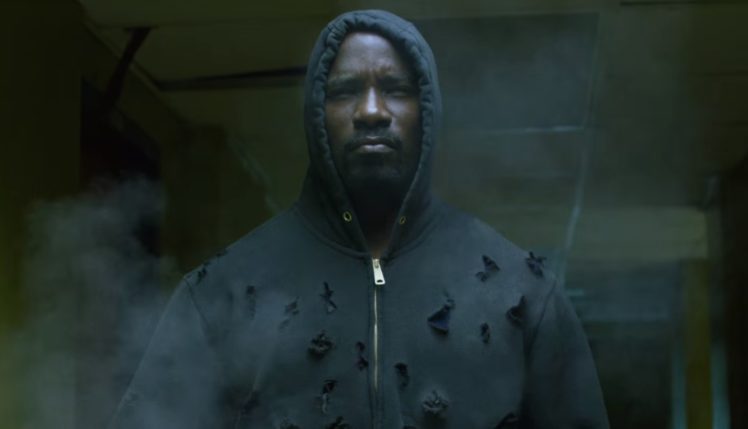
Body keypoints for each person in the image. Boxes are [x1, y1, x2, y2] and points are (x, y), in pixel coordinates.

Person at [110, 9, 609, 429]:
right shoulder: (223, 294)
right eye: (346, 90)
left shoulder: (521, 295)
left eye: (395, 88)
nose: (371, 111)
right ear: (315, 114)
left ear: (427, 112)